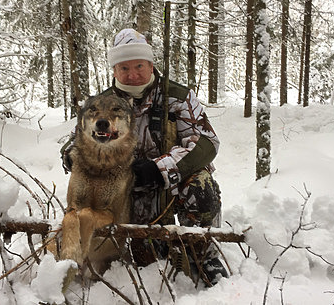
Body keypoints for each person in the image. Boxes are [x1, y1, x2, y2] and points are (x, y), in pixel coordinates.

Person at [62, 28, 228, 286]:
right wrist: (73, 155)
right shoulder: (102, 102)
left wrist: (159, 168)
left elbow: (206, 142)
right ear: (114, 71)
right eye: (124, 68)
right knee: (146, 258)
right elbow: (80, 138)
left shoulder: (177, 97)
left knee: (201, 184)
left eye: (139, 65)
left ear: (151, 65)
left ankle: (203, 253)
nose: (133, 74)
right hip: (127, 192)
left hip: (167, 185)